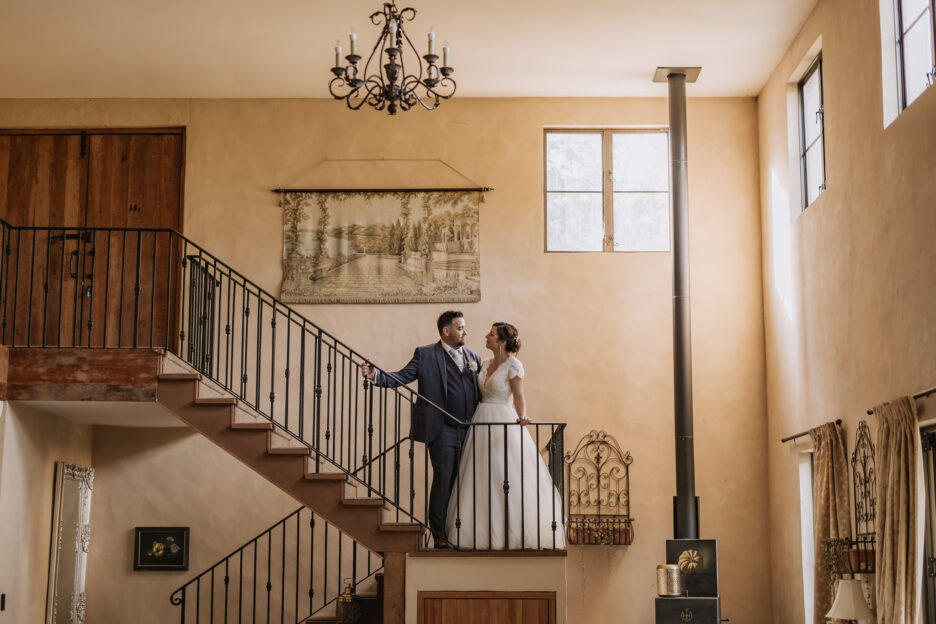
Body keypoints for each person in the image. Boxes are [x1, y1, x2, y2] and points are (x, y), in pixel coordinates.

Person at [361, 311, 482, 549]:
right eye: (460, 328)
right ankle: (439, 534)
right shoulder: (426, 354)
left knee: (465, 481)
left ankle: (461, 532)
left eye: (464, 327)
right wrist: (377, 376)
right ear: (446, 331)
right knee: (444, 478)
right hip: (442, 430)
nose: (465, 332)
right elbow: (403, 376)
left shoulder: (473, 356)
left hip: (469, 430)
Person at [445, 322, 565, 550]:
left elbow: (519, 397)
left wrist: (523, 417)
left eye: (491, 334)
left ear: (501, 341)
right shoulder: (485, 363)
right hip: (481, 419)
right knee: (480, 475)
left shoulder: (514, 364)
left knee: (504, 474)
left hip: (502, 418)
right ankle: (478, 533)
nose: (486, 337)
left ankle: (512, 533)